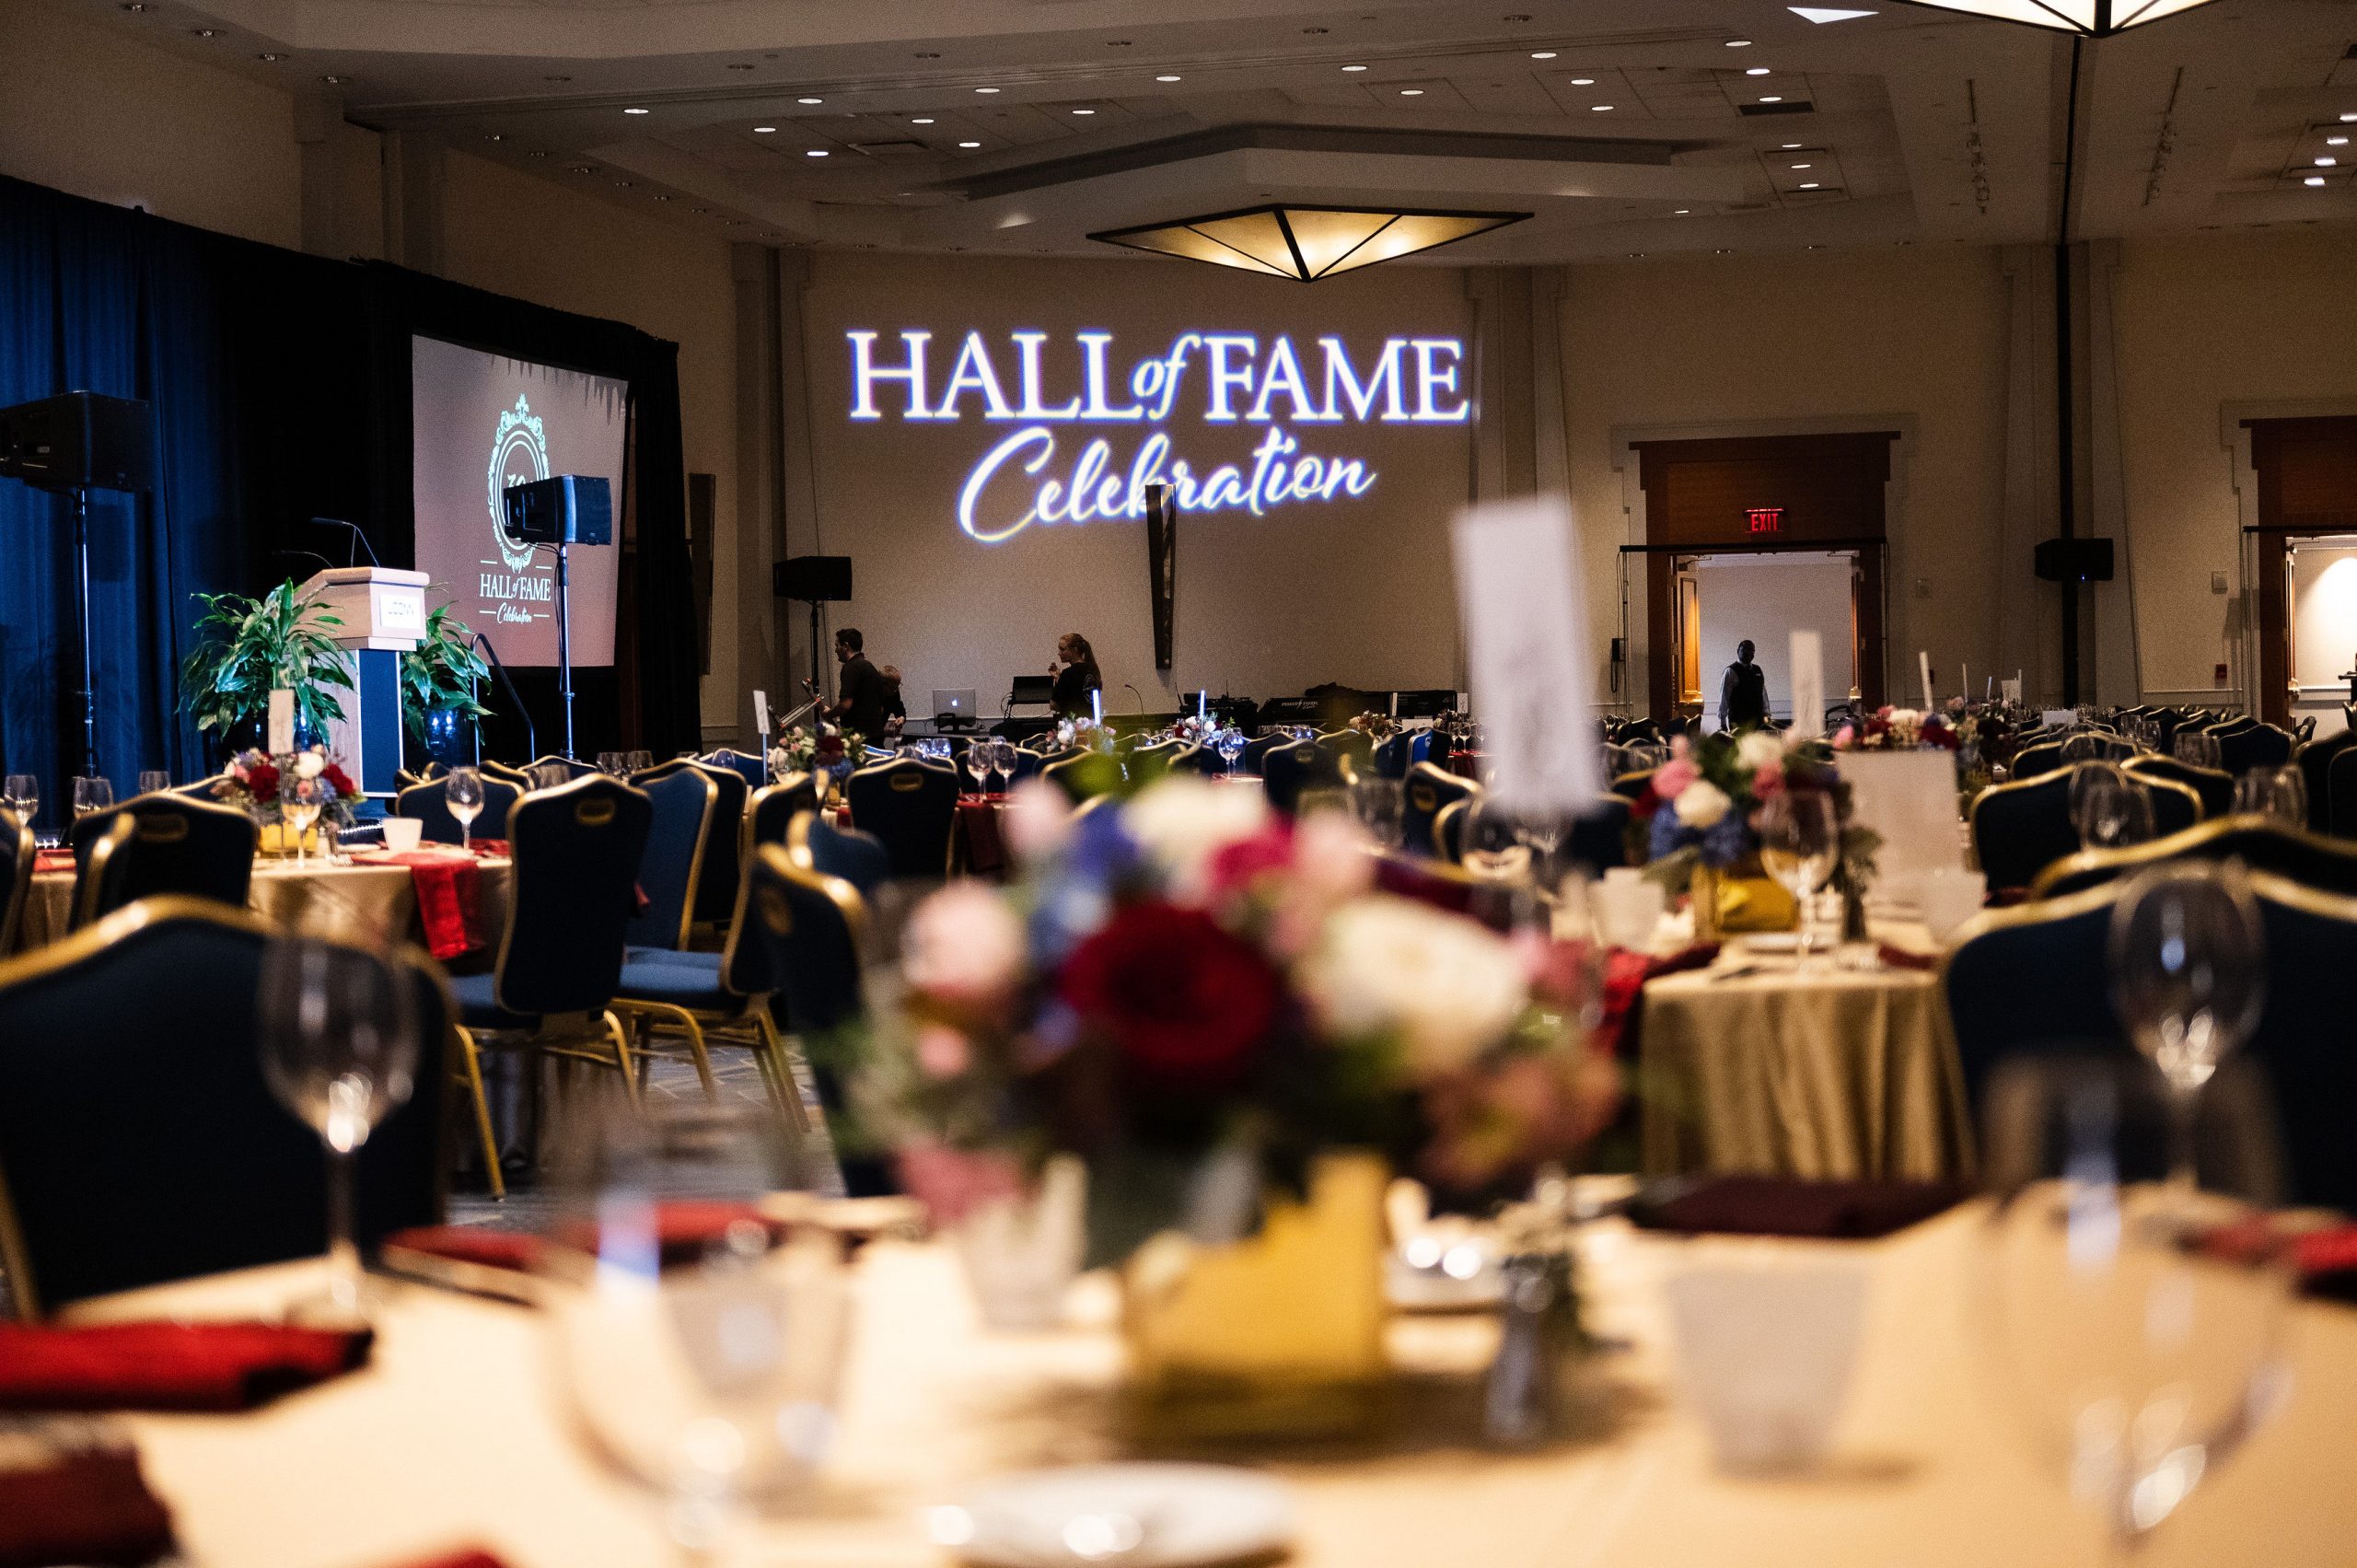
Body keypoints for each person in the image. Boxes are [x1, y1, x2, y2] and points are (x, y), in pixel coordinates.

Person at [815, 627, 890, 738]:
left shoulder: (850, 667)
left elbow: (845, 705)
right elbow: (880, 707)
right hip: (875, 735)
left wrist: (828, 714)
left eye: (837, 645)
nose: (836, 650)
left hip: (858, 739)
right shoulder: (870, 667)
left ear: (845, 646)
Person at [1719, 638, 1771, 731]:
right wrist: (1722, 722)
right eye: (1745, 650)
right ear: (1738, 651)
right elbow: (1724, 697)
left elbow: (1763, 694)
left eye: (1752, 651)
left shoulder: (1757, 670)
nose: (1748, 653)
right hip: (1739, 721)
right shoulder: (1730, 671)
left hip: (1758, 720)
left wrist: (1767, 714)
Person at [1050, 632, 1103, 719]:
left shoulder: (1068, 673)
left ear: (1075, 649)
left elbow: (1054, 705)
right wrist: (1058, 678)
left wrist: (1059, 680)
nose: (1059, 653)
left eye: (1062, 649)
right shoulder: (1093, 670)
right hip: (1090, 724)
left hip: (1073, 726)